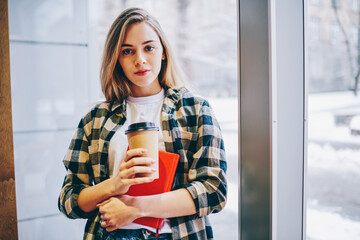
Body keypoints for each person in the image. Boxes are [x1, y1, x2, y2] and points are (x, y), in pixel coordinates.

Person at [58, 7, 227, 240]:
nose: (140, 60)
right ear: (116, 59)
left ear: (163, 52)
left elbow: (214, 190)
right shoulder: (95, 119)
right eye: (127, 51)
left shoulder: (195, 110)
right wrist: (114, 185)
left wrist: (135, 207)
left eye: (149, 47)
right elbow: (69, 201)